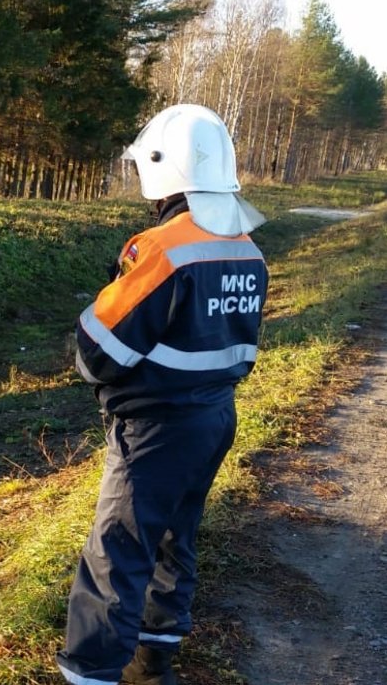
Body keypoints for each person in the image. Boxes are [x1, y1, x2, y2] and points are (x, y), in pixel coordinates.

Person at [57, 104, 269, 685]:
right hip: (214, 418)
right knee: (177, 538)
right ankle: (157, 660)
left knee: (116, 556)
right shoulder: (246, 247)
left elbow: (98, 353)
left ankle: (92, 671)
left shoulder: (163, 246)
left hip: (153, 430)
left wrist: (111, 289)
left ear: (161, 168)